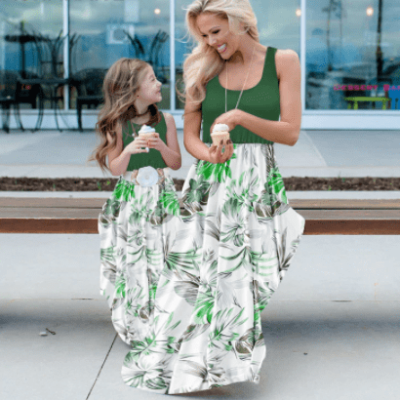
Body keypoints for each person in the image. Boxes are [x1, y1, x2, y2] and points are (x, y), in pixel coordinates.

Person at [119, 0, 306, 395]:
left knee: (242, 276)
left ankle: (221, 361)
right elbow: (190, 136)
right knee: (197, 273)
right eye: (203, 34)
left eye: (216, 31)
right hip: (209, 180)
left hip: (258, 181)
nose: (210, 41)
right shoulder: (201, 68)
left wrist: (238, 119)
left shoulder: (282, 61)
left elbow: (289, 132)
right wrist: (208, 153)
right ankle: (200, 365)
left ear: (238, 21)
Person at [90, 58, 182, 347]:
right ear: (132, 88)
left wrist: (161, 145)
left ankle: (166, 318)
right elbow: (116, 169)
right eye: (152, 79)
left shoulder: (165, 121)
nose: (159, 83)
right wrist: (129, 148)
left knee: (165, 258)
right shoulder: (118, 124)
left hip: (162, 196)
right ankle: (138, 318)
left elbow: (176, 163)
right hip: (131, 198)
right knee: (135, 260)